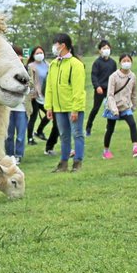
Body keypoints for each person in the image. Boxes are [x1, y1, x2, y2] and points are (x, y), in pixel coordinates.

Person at [45, 33, 85, 172]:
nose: (54, 47)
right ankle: (63, 163)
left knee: (77, 134)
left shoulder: (76, 64)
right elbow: (49, 87)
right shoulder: (53, 64)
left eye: (56, 44)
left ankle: (77, 163)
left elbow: (78, 89)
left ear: (62, 45)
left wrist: (76, 109)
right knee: (64, 136)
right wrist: (49, 106)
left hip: (72, 107)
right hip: (58, 108)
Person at [102, 54, 137, 159]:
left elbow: (134, 93)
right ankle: (106, 151)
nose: (126, 62)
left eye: (128, 60)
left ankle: (135, 148)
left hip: (126, 107)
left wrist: (134, 106)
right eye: (124, 60)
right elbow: (110, 95)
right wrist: (114, 109)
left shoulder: (133, 76)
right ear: (120, 63)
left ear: (131, 62)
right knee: (110, 129)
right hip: (114, 107)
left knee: (132, 124)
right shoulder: (113, 76)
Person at [85, 40, 116, 137]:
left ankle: (109, 128)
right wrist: (97, 86)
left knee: (111, 109)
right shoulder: (97, 63)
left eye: (107, 48)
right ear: (100, 50)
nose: (106, 50)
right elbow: (94, 76)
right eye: (104, 48)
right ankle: (88, 128)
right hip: (100, 89)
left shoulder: (113, 63)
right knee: (95, 109)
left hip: (110, 89)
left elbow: (115, 76)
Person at [5, 45, 28, 161]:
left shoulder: (27, 70)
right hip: (9, 108)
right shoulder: (7, 71)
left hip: (22, 108)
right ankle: (9, 155)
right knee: (8, 135)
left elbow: (31, 86)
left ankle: (18, 155)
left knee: (20, 135)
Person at [26, 47, 49, 145]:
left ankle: (39, 131)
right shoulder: (30, 66)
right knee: (33, 117)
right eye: (37, 53)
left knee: (50, 114)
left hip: (45, 95)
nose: (40, 54)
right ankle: (30, 139)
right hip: (34, 96)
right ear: (33, 55)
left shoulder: (48, 65)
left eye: (41, 52)